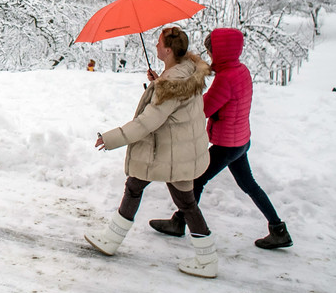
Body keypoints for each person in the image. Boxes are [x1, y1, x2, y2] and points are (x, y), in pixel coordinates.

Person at [85, 26, 218, 278]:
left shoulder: (171, 84)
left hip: (170, 154)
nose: (155, 46)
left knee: (183, 202)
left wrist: (110, 138)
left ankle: (208, 259)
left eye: (159, 43)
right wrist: (159, 81)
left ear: (168, 50)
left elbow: (146, 123)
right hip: (178, 149)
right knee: (138, 186)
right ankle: (111, 240)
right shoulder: (187, 71)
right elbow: (176, 102)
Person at [148, 28, 293, 250]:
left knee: (197, 180)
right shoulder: (240, 70)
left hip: (227, 144)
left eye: (211, 52)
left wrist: (166, 92)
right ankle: (278, 229)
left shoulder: (226, 78)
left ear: (221, 53)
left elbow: (202, 108)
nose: (210, 57)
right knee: (249, 185)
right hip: (241, 140)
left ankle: (179, 223)